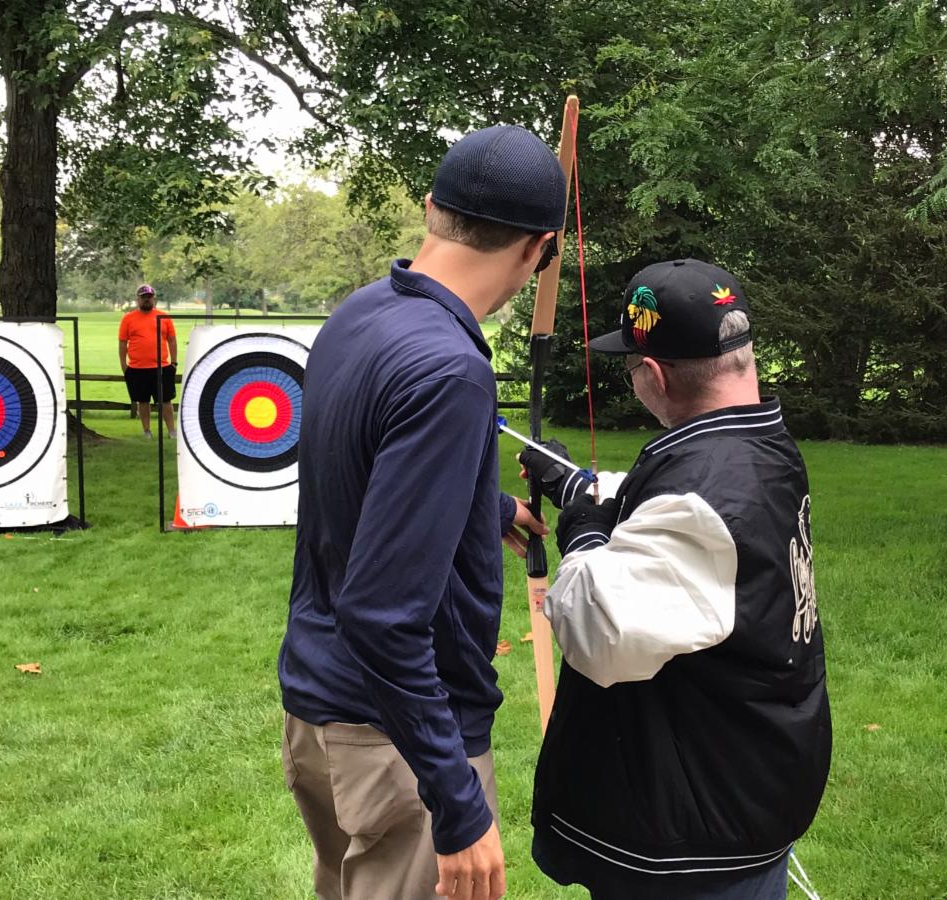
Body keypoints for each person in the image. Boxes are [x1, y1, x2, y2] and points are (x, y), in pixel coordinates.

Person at [277, 125, 562, 900]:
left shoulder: (361, 314)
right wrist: (456, 802)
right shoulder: (450, 369)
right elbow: (381, 613)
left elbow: (359, 482)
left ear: (433, 208)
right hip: (395, 742)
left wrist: (482, 507)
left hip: (320, 714)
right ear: (537, 250)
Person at [519, 259, 832, 900]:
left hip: (695, 836)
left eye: (632, 368)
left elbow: (599, 629)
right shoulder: (757, 443)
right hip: (746, 782)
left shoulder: (702, 494)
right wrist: (579, 484)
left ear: (654, 374)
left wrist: (580, 526)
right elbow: (673, 528)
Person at [118, 284, 176, 439]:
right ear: (138, 299)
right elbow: (123, 343)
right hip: (137, 368)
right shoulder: (128, 319)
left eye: (149, 297)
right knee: (143, 401)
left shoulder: (164, 317)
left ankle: (172, 431)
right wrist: (124, 366)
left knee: (165, 401)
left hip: (162, 366)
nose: (147, 300)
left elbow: (172, 340)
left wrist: (174, 362)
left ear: (154, 299)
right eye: (143, 298)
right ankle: (147, 431)